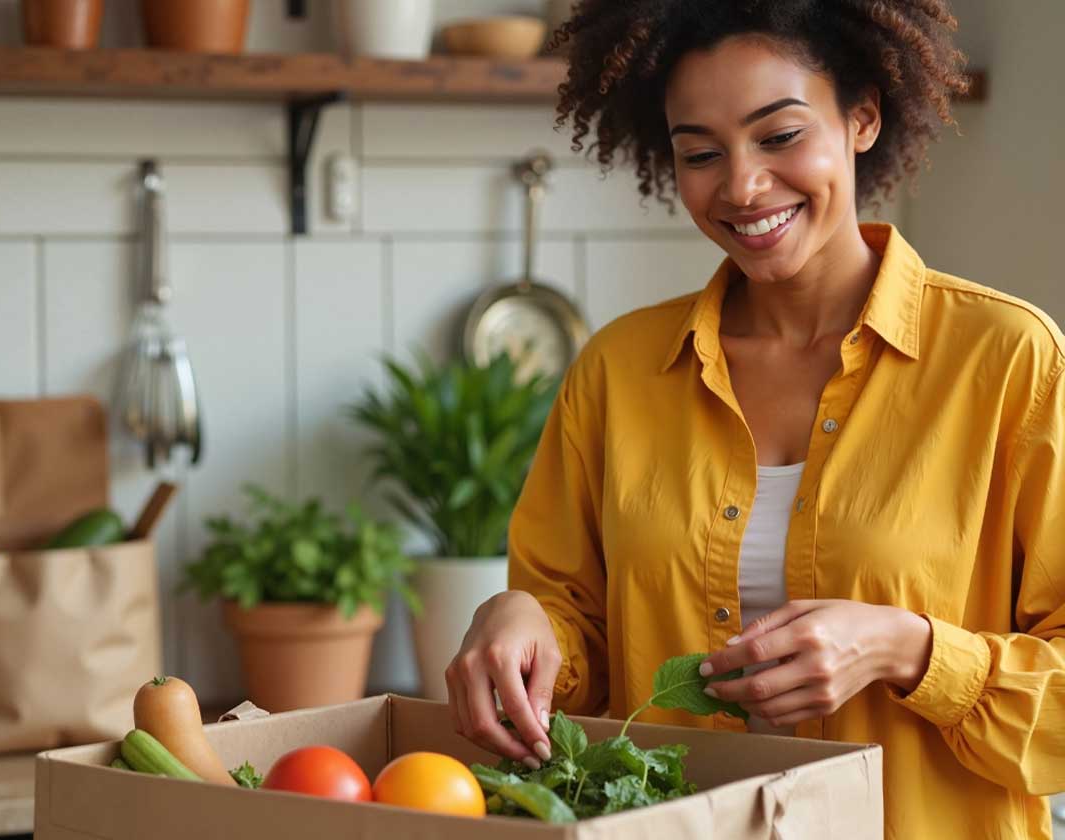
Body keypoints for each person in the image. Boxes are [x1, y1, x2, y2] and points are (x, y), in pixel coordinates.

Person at [443, 1, 1065, 838]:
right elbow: (572, 634)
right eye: (700, 152)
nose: (740, 186)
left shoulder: (1009, 360)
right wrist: (517, 621)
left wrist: (910, 651)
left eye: (778, 137)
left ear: (863, 118)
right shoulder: (618, 372)